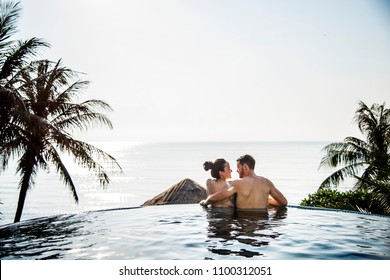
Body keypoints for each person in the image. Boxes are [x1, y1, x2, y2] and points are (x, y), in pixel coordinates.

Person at [200, 154, 287, 210]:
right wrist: (265, 200)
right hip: (262, 225)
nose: (237, 171)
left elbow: (216, 197)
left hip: (242, 225)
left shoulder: (236, 184)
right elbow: (283, 202)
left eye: (238, 167)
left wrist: (205, 202)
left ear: (245, 167)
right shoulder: (267, 183)